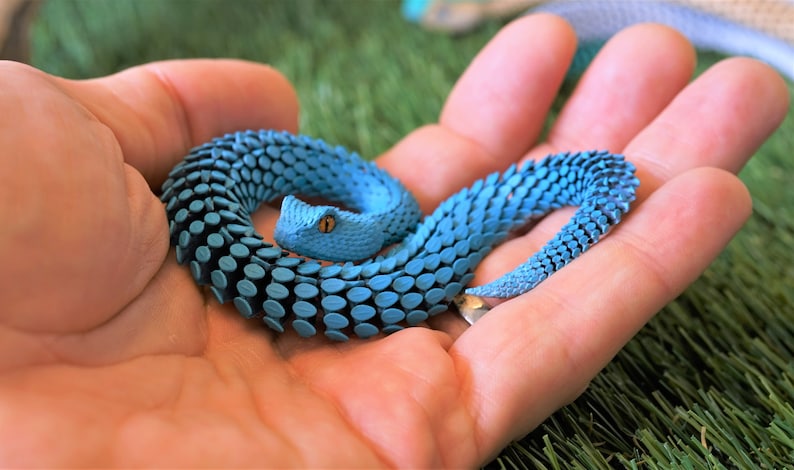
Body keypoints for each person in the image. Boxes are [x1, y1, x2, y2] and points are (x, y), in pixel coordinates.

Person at [0, 15, 788, 467]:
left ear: (367, 231)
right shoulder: (243, 203)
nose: (296, 235)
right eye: (301, 223)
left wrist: (525, 271)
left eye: (324, 226)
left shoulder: (396, 231)